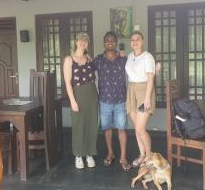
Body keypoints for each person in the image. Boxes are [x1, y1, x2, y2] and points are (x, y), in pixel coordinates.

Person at [93, 31, 131, 171]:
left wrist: (155, 68)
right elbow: (85, 69)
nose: (110, 42)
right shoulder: (98, 60)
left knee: (121, 129)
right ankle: (110, 153)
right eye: (107, 40)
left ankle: (123, 157)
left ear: (115, 42)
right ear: (104, 43)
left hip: (121, 100)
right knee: (107, 129)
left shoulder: (123, 59)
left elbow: (136, 67)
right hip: (104, 101)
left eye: (112, 40)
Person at [63, 33, 98, 169]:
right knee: (79, 125)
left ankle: (89, 153)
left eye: (85, 41)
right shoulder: (69, 59)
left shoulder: (89, 58)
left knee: (91, 124)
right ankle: (78, 155)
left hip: (92, 94)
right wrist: (72, 101)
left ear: (87, 44)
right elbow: (67, 82)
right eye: (80, 40)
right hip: (77, 94)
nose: (83, 43)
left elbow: (95, 76)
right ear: (76, 42)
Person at [125, 30, 156, 167]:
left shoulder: (147, 57)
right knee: (136, 128)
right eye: (132, 39)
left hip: (144, 91)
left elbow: (150, 79)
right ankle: (142, 155)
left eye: (137, 39)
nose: (135, 41)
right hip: (131, 90)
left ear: (142, 41)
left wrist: (147, 98)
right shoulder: (130, 56)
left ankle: (149, 156)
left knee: (140, 129)